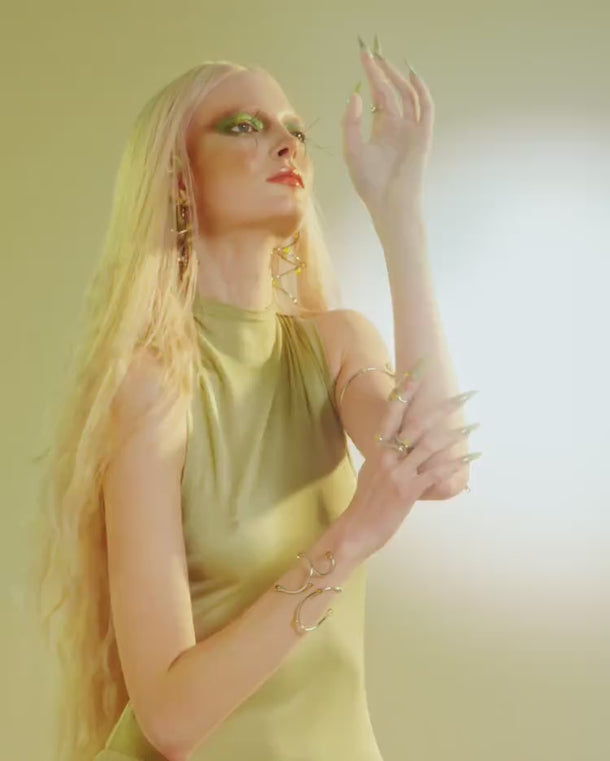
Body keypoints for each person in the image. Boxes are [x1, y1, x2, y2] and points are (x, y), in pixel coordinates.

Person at [32, 35, 481, 761]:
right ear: (179, 179)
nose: (286, 143)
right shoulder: (151, 387)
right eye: (245, 125)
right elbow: (170, 720)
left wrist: (398, 215)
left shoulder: (336, 347)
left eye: (296, 131)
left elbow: (440, 468)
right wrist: (351, 536)